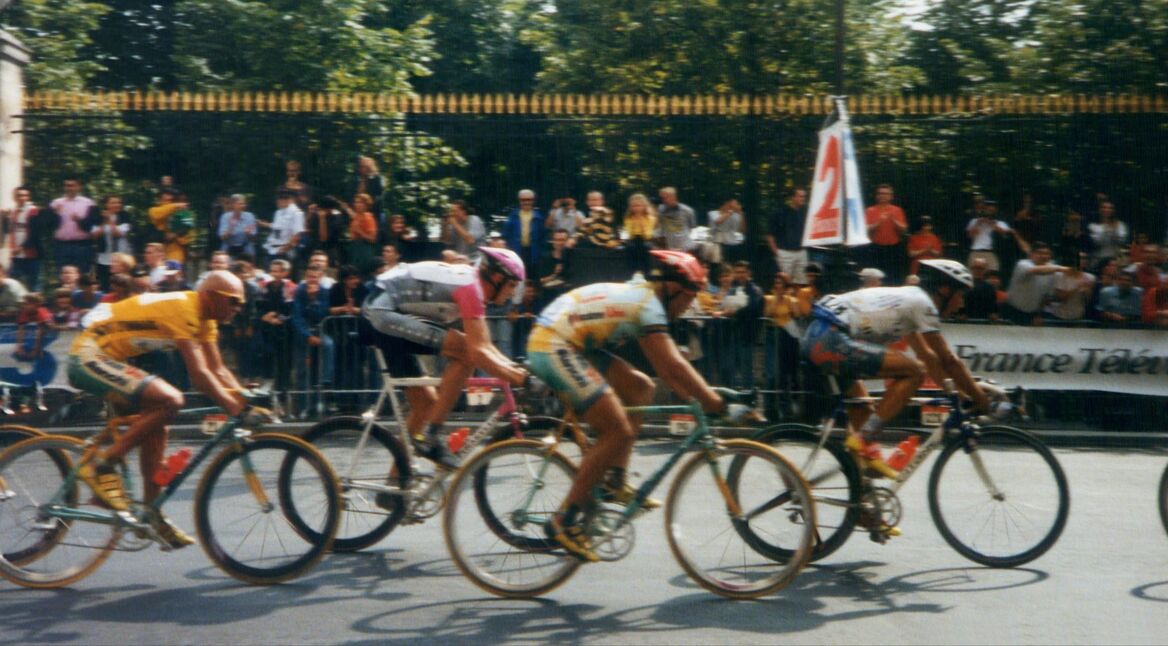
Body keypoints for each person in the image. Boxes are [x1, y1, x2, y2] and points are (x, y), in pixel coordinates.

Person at [531, 250, 754, 561]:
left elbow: (667, 373)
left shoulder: (647, 299)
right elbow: (674, 368)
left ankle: (614, 481)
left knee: (641, 388)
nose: (690, 306)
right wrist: (715, 403)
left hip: (574, 342)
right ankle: (563, 520)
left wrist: (704, 399)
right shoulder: (648, 307)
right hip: (554, 344)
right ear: (672, 289)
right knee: (617, 430)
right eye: (689, 298)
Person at [69, 271, 266, 548]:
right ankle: (102, 463)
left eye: (241, 304)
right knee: (171, 400)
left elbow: (218, 369)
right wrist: (236, 409)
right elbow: (199, 375)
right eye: (233, 301)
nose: (238, 308)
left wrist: (245, 401)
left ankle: (151, 514)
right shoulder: (185, 307)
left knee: (159, 423)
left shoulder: (206, 320)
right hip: (87, 354)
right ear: (210, 296)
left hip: (107, 357)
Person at [802, 259, 1006, 497]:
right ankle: (863, 439)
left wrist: (957, 394)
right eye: (960, 294)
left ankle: (863, 509)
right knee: (914, 373)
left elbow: (928, 357)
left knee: (869, 448)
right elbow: (948, 360)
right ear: (944, 289)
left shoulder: (908, 302)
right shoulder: (923, 303)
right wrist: (981, 400)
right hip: (829, 339)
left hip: (821, 337)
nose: (961, 303)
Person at [362, 247, 528, 473]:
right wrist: (521, 379)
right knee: (466, 354)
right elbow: (478, 350)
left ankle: (394, 486)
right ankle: (431, 436)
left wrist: (516, 370)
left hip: (384, 311)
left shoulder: (472, 283)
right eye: (511, 285)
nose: (512, 293)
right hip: (382, 312)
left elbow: (486, 346)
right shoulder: (471, 287)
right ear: (497, 277)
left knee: (426, 405)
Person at [50, 177, 97, 275]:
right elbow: (47, 225)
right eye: (67, 185)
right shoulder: (56, 203)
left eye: (72, 186)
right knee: (62, 274)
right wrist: (54, 214)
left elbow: (92, 226)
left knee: (82, 274)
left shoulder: (88, 203)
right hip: (61, 245)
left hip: (82, 245)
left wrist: (79, 220)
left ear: (79, 187)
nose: (69, 188)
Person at [2, 186, 45, 291]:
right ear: (14, 197)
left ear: (28, 197)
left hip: (32, 255)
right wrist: (5, 219)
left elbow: (35, 233)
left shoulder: (33, 211)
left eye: (24, 195)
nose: (22, 198)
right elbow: (8, 231)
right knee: (10, 284)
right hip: (17, 257)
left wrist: (21, 247)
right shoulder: (13, 212)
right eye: (19, 195)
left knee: (34, 285)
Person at [864, 184, 908, 283]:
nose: (882, 196)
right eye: (880, 193)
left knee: (894, 277)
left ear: (891, 196)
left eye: (885, 193)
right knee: (875, 277)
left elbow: (904, 230)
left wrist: (894, 220)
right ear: (876, 196)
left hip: (893, 249)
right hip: (876, 249)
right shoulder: (870, 210)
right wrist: (878, 222)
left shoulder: (897, 210)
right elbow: (865, 229)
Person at [767, 187, 809, 286]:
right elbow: (770, 235)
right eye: (800, 196)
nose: (803, 199)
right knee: (784, 282)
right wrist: (777, 252)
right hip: (785, 253)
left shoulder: (806, 212)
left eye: (804, 196)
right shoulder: (780, 213)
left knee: (801, 283)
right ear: (792, 198)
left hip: (801, 252)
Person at [503, 189, 545, 271]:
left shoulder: (539, 216)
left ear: (533, 201)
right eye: (523, 200)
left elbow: (542, 236)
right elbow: (506, 234)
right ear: (519, 201)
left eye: (529, 200)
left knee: (531, 275)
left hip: (533, 252)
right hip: (517, 250)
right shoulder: (513, 215)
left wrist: (540, 252)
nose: (526, 202)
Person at [654, 187, 696, 252]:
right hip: (669, 248)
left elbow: (691, 226)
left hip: (685, 247)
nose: (664, 200)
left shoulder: (687, 211)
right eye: (662, 198)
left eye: (666, 198)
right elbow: (658, 227)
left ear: (673, 197)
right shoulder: (661, 210)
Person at [217, 194, 258, 258]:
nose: (243, 206)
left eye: (244, 204)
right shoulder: (225, 217)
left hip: (245, 248)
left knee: (250, 252)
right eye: (240, 204)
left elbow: (254, 238)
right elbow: (222, 237)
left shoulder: (250, 216)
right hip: (229, 248)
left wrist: (249, 233)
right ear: (233, 205)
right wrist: (230, 228)